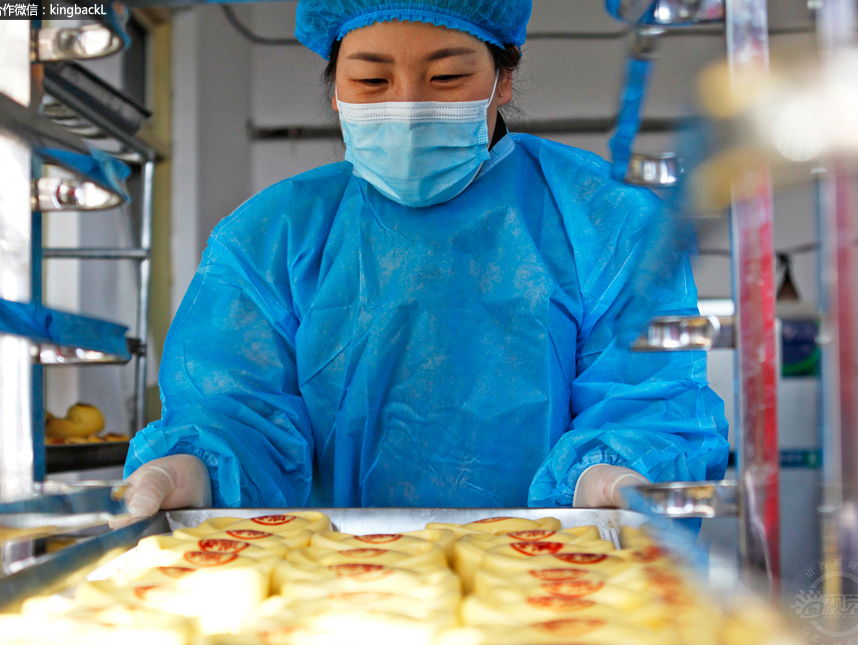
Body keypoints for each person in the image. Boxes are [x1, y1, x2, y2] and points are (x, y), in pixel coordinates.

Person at [117, 0, 728, 521]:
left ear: (502, 79)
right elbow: (234, 410)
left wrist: (615, 479)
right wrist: (190, 469)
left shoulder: (607, 223)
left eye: (446, 79)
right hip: (330, 587)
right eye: (372, 83)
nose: (407, 107)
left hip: (553, 579)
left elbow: (650, 399)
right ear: (335, 90)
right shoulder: (270, 235)